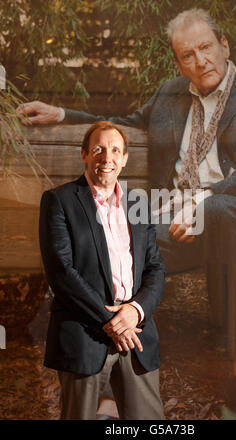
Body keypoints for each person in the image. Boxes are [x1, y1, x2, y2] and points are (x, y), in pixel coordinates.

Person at [22, 9, 236, 419]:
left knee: (218, 209)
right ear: (177, 62)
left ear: (224, 45)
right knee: (110, 248)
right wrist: (64, 115)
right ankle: (109, 386)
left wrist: (201, 201)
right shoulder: (170, 94)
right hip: (179, 221)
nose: (199, 60)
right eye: (187, 54)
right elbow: (124, 125)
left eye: (206, 47)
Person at [39, 120, 165, 420]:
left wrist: (134, 311)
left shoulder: (138, 202)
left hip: (137, 334)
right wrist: (111, 320)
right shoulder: (59, 201)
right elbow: (62, 272)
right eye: (98, 149)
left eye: (114, 150)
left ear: (123, 159)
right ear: (84, 154)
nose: (106, 157)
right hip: (85, 334)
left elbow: (155, 267)